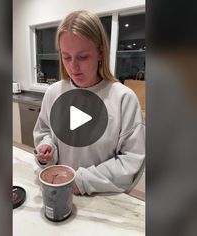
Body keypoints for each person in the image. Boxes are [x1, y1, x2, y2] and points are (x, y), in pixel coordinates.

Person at [33, 10, 145, 195]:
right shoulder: (54, 92)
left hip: (102, 200)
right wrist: (47, 150)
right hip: (60, 190)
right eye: (66, 56)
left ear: (100, 52)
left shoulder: (123, 99)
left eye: (83, 57)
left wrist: (82, 181)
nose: (73, 67)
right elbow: (45, 132)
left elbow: (132, 159)